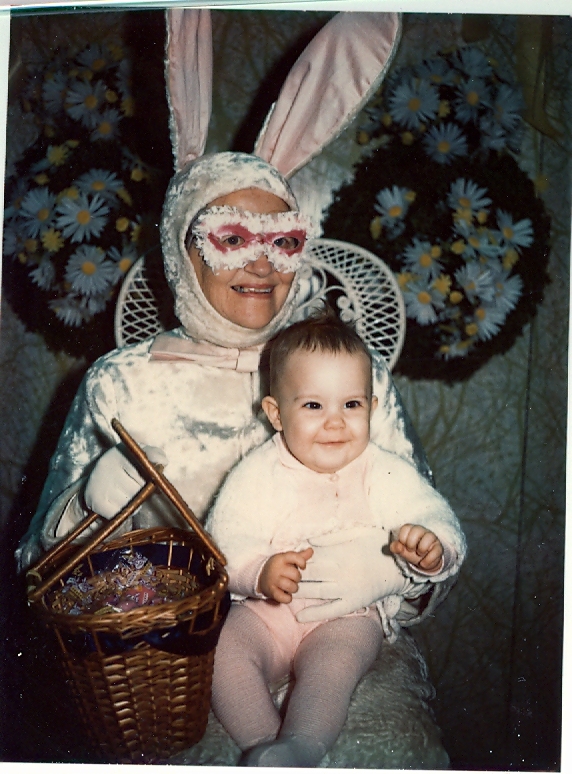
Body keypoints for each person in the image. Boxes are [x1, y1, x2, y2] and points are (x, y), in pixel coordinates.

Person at [15, 9, 455, 767]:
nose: (259, 264)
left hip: (343, 638)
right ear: (180, 247)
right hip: (166, 664)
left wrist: (389, 571)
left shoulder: (352, 378)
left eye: (281, 242)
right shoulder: (122, 382)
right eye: (230, 238)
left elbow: (422, 529)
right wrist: (88, 505)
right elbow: (43, 569)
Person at [205, 310, 466, 767]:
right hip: (268, 612)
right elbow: (224, 539)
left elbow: (434, 515)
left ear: (372, 407)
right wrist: (258, 572)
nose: (335, 423)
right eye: (313, 406)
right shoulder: (258, 472)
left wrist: (431, 547)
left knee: (332, 670)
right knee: (224, 653)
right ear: (276, 414)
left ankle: (303, 743)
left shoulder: (382, 470)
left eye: (351, 405)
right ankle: (264, 742)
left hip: (346, 614)